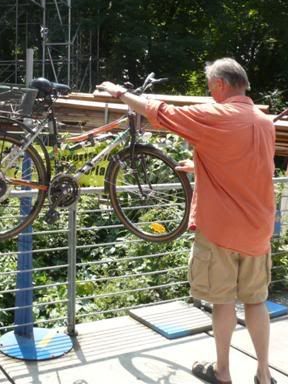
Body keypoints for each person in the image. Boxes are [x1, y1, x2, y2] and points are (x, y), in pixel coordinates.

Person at [96, 58, 276, 384]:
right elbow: (252, 168)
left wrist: (120, 92)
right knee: (256, 301)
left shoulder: (216, 115)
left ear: (220, 84)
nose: (210, 93)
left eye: (210, 87)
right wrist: (201, 167)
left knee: (222, 303)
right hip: (258, 231)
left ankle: (223, 372)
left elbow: (160, 111)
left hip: (221, 230)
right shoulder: (264, 122)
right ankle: (263, 374)